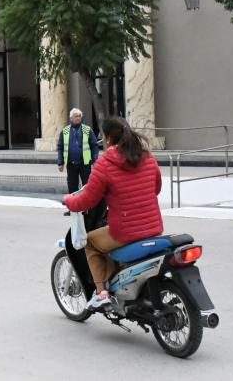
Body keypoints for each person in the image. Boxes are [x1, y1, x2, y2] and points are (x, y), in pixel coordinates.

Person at [62, 117, 163, 311]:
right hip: (153, 228)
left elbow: (87, 200)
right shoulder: (147, 156)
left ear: (107, 138)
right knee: (106, 237)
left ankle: (101, 294)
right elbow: (156, 188)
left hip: (126, 232)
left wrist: (68, 201)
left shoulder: (105, 163)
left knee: (90, 242)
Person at [57, 108, 100, 215]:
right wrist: (60, 162)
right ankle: (72, 209)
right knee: (72, 186)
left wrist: (95, 160)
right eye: (76, 116)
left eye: (79, 116)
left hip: (84, 163)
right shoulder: (65, 131)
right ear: (71, 118)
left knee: (86, 186)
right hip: (71, 164)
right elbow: (61, 147)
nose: (78, 118)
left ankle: (87, 208)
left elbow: (94, 146)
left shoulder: (87, 129)